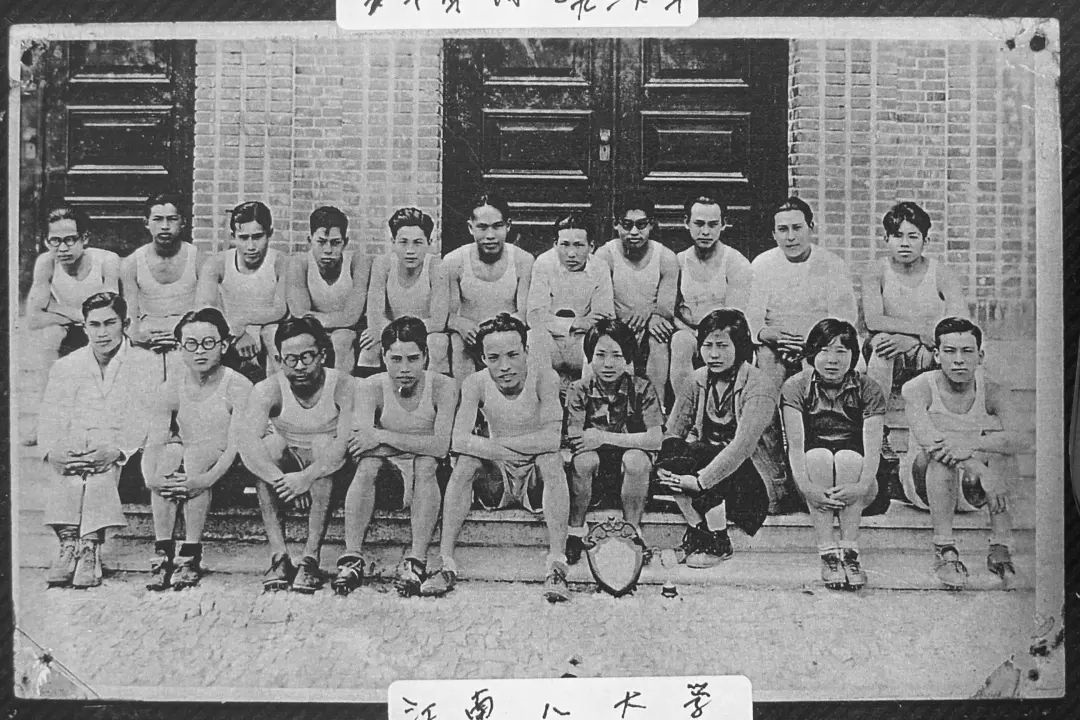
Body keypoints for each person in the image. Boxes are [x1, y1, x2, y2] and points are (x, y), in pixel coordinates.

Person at [419, 314, 571, 602]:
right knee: (466, 462)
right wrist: (510, 450)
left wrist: (494, 445)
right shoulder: (475, 383)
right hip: (498, 476)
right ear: (483, 359)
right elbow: (459, 440)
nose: (504, 366)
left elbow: (552, 439)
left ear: (527, 351)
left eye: (513, 355)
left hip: (534, 476)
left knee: (551, 460)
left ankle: (556, 566)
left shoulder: (545, 378)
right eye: (494, 358)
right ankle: (446, 564)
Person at [901, 317, 1033, 589]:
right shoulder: (918, 388)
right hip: (925, 485)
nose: (959, 360)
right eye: (950, 351)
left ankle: (1000, 547)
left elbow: (1023, 439)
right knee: (941, 459)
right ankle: (945, 550)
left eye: (967, 351)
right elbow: (931, 442)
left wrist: (973, 444)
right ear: (937, 355)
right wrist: (980, 468)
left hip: (970, 488)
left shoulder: (993, 390)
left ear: (980, 356)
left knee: (1002, 453)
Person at [38, 292, 159, 588]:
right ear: (84, 327)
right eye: (94, 324)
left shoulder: (146, 362)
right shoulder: (67, 365)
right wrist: (54, 451)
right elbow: (51, 415)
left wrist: (117, 450)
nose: (102, 332)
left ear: (125, 324)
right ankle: (69, 545)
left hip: (126, 451)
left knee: (100, 461)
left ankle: (90, 547)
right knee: (73, 453)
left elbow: (145, 416)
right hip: (80, 444)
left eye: (109, 323)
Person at [334, 316, 459, 597]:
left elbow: (441, 447)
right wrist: (416, 443)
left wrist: (383, 436)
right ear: (383, 356)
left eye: (413, 359)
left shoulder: (443, 386)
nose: (404, 368)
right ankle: (352, 557)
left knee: (426, 463)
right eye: (396, 359)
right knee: (368, 464)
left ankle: (416, 561)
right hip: (391, 476)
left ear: (426, 356)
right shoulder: (371, 386)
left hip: (431, 475)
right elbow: (361, 446)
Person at [656, 309, 790, 568]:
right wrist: (664, 467)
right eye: (708, 346)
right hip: (713, 474)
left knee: (704, 453)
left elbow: (742, 448)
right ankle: (700, 532)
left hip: (756, 483)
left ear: (740, 347)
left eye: (722, 346)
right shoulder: (697, 379)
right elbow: (673, 431)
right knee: (674, 450)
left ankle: (719, 542)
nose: (714, 354)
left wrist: (699, 482)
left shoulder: (759, 386)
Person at [238, 316, 354, 593]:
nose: (299, 366)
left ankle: (310, 558)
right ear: (279, 359)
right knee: (269, 447)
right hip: (289, 472)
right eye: (291, 359)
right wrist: (285, 481)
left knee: (324, 445)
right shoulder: (268, 389)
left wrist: (306, 478)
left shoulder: (343, 385)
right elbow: (247, 444)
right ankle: (279, 556)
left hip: (331, 470)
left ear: (322, 355)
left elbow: (343, 446)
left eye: (307, 357)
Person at [140, 308, 253, 591]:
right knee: (168, 455)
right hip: (188, 464)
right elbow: (154, 440)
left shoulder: (238, 385)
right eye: (190, 344)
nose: (199, 351)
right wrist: (151, 479)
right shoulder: (172, 386)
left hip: (229, 469)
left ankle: (191, 553)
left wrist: (204, 480)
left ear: (223, 345)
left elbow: (236, 446)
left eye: (208, 343)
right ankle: (163, 550)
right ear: (180, 348)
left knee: (196, 456)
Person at [781, 318, 887, 591]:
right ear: (811, 353)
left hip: (860, 482)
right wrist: (806, 487)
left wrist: (861, 486)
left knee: (848, 458)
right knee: (818, 456)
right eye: (824, 350)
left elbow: (873, 447)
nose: (832, 359)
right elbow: (795, 445)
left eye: (841, 351)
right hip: (812, 479)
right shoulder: (795, 386)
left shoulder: (868, 388)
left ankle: (850, 553)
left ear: (853, 355)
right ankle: (828, 553)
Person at [564, 319, 663, 564]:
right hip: (594, 473)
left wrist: (603, 438)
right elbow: (577, 438)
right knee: (584, 460)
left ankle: (631, 531)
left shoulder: (642, 388)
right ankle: (575, 531)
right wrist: (624, 440)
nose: (608, 363)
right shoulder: (579, 389)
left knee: (636, 459)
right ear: (590, 357)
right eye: (600, 355)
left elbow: (655, 439)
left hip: (631, 474)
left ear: (628, 358)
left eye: (617, 355)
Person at [23, 205, 120, 445]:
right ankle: (44, 421)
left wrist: (56, 307)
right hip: (72, 328)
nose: (62, 248)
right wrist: (75, 315)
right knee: (50, 335)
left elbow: (111, 311)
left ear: (84, 238)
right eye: (55, 241)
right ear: (46, 241)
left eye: (69, 240)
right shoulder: (46, 262)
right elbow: (34, 318)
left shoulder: (106, 261)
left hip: (101, 329)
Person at [746, 197, 859, 390]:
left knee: (816, 370)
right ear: (774, 234)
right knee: (767, 360)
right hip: (776, 344)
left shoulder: (832, 264)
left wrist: (810, 343)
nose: (791, 237)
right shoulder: (761, 264)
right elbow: (751, 315)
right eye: (783, 229)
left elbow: (844, 317)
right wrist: (770, 335)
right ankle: (770, 408)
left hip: (820, 343)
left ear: (810, 228)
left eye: (797, 228)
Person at [861, 201, 966, 397]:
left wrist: (911, 340)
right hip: (892, 348)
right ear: (886, 238)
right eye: (897, 236)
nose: (905, 244)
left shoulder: (942, 273)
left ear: (926, 240)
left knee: (956, 348)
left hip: (929, 348)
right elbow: (874, 320)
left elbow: (960, 322)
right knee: (883, 344)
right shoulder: (876, 270)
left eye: (913, 236)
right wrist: (921, 331)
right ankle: (875, 411)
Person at [593, 194, 678, 401]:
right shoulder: (605, 256)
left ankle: (657, 406)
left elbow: (666, 308)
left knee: (659, 337)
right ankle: (616, 405)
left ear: (651, 225)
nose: (633, 232)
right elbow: (602, 305)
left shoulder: (666, 257)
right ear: (616, 225)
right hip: (615, 325)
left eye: (641, 225)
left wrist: (650, 314)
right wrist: (623, 326)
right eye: (627, 225)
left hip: (649, 327)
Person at [670, 196, 753, 402]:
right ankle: (685, 409)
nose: (705, 231)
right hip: (690, 332)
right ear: (686, 223)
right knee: (680, 341)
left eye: (713, 224)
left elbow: (735, 317)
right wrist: (691, 332)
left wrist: (709, 338)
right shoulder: (678, 261)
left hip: (726, 334)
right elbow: (671, 311)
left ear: (723, 224)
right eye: (699, 224)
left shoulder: (736, 262)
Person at [444, 193, 534, 381]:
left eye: (497, 226)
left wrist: (496, 333)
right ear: (471, 227)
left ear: (508, 225)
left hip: (507, 334)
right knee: (457, 340)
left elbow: (524, 313)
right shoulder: (454, 261)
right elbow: (448, 314)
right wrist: (460, 324)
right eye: (482, 227)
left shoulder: (523, 260)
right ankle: (466, 395)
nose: (490, 236)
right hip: (471, 338)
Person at [196, 201, 288, 380]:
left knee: (272, 333)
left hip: (267, 338)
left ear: (270, 234)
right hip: (230, 337)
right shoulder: (217, 263)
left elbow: (280, 310)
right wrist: (237, 333)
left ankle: (281, 391)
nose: (251, 246)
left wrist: (242, 322)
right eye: (243, 238)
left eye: (258, 237)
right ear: (233, 236)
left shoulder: (281, 262)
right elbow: (205, 308)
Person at [526, 213, 614, 385]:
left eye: (579, 245)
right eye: (565, 245)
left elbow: (604, 317)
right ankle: (543, 397)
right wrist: (576, 323)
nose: (571, 253)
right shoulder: (543, 264)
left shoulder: (600, 267)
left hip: (582, 342)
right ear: (555, 245)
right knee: (534, 338)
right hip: (551, 342)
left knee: (601, 341)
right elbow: (535, 317)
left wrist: (554, 321)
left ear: (591, 246)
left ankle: (588, 398)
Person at [286, 206, 375, 373]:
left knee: (342, 337)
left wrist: (318, 318)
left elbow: (352, 317)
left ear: (345, 242)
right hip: (312, 332)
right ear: (309, 240)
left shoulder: (358, 262)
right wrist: (340, 318)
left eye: (335, 243)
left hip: (349, 334)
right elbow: (299, 314)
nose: (328, 250)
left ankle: (342, 388)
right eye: (321, 242)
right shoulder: (299, 263)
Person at [365, 207, 450, 374]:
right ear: (393, 242)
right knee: (369, 344)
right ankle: (371, 390)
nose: (410, 250)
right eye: (403, 242)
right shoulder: (383, 265)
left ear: (429, 242)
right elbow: (375, 318)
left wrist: (402, 333)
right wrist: (396, 334)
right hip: (391, 333)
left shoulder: (436, 266)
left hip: (425, 334)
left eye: (417, 243)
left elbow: (438, 322)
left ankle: (433, 389)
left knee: (438, 343)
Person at [120, 193, 200, 356]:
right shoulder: (131, 263)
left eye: (172, 219)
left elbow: (205, 309)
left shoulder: (199, 260)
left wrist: (185, 335)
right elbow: (130, 315)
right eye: (157, 219)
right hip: (148, 337)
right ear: (146, 223)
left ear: (183, 222)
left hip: (189, 337)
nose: (165, 226)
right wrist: (138, 336)